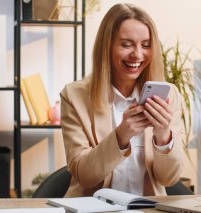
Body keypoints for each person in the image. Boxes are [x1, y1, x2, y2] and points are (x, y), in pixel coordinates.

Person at [60, 3, 183, 197]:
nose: (138, 54)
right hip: (93, 209)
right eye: (126, 44)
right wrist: (121, 136)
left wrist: (163, 136)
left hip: (147, 210)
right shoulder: (74, 96)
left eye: (146, 45)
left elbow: (168, 178)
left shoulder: (169, 96)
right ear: (106, 46)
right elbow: (84, 175)